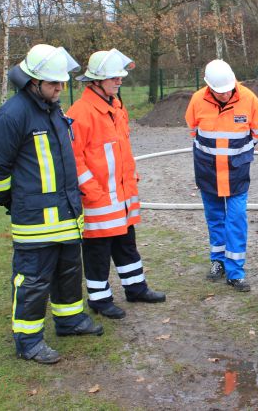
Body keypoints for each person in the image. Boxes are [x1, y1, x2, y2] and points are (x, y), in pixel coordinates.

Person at [0, 44, 103, 365]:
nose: (60, 88)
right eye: (54, 84)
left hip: (66, 216)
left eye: (62, 83)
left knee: (68, 272)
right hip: (35, 221)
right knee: (33, 281)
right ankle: (29, 342)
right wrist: (13, 200)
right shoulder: (13, 115)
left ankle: (69, 321)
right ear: (33, 82)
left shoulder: (52, 109)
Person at [67, 49, 166, 320]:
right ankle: (99, 300)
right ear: (96, 81)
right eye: (113, 78)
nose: (119, 81)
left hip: (121, 194)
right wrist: (93, 192)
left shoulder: (115, 107)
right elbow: (74, 161)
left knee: (126, 242)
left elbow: (120, 150)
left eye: (120, 77)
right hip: (98, 199)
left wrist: (129, 178)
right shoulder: (80, 113)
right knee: (98, 251)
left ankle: (136, 288)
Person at [184, 59, 258, 292]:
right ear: (208, 87)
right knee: (215, 217)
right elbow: (193, 129)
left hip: (237, 172)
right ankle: (217, 261)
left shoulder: (249, 98)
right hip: (207, 170)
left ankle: (236, 272)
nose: (225, 95)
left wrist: (241, 151)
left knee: (236, 219)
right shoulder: (197, 100)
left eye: (228, 90)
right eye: (219, 92)